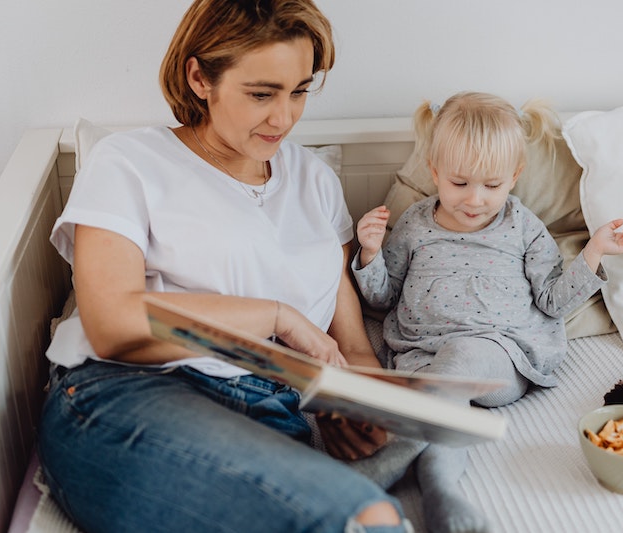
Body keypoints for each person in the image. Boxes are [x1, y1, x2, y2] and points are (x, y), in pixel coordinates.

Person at [37, 1, 414, 532]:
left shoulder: (314, 181)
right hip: (133, 392)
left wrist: (359, 404)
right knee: (359, 517)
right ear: (199, 77)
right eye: (262, 94)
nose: (284, 117)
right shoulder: (130, 162)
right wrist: (276, 316)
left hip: (270, 412)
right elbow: (113, 323)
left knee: (371, 513)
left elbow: (349, 348)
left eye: (300, 91)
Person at [350, 92, 623, 533]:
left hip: (500, 355)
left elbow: (552, 300)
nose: (475, 199)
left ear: (514, 177)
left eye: (492, 185)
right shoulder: (413, 224)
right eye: (459, 183)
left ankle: (388, 462)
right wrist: (369, 253)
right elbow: (382, 299)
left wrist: (595, 250)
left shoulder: (523, 227)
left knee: (459, 363)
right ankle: (442, 495)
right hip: (421, 357)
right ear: (435, 172)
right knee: (445, 408)